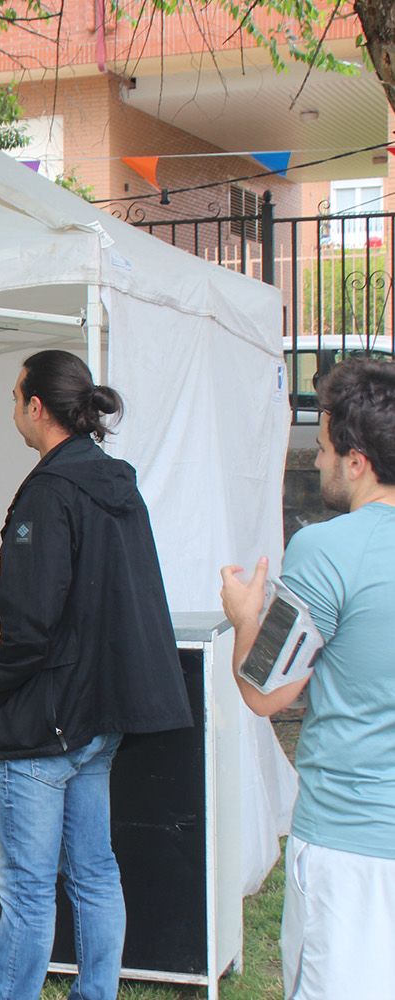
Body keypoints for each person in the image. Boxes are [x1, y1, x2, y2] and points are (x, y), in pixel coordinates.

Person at [0, 350, 191, 1000]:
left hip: (45, 724)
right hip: (97, 719)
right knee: (95, 872)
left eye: (16, 396)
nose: (13, 408)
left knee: (29, 887)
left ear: (36, 406)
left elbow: (30, 618)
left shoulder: (50, 492)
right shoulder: (116, 484)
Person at [220, 358, 395, 1000]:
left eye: (321, 449)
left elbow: (266, 691)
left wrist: (246, 619)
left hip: (352, 844)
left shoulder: (326, 549)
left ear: (356, 461)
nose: (315, 463)